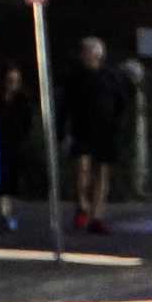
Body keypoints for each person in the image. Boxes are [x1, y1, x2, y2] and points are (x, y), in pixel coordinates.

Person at [60, 37, 129, 235]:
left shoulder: (110, 76)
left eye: (86, 52)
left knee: (101, 172)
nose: (83, 55)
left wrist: (116, 124)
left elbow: (121, 102)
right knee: (81, 167)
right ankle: (82, 203)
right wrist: (62, 128)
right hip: (82, 129)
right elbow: (65, 104)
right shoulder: (75, 76)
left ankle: (96, 216)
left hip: (105, 131)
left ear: (97, 55)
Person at [0, 63, 37, 232]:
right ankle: (5, 213)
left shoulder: (23, 100)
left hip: (16, 145)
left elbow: (26, 123)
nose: (13, 83)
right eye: (10, 80)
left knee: (13, 180)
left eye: (16, 80)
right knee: (3, 179)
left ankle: (9, 210)